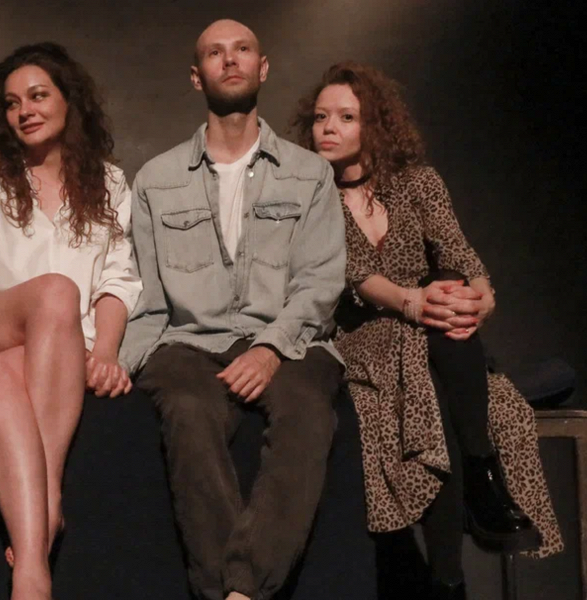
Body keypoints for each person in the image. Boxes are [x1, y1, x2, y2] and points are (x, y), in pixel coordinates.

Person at [292, 61, 562, 598]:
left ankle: (452, 559)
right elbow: (354, 275)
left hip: (436, 334)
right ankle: (465, 530)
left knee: (446, 297)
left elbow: (458, 252)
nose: (328, 128)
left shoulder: (418, 183)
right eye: (321, 117)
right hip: (363, 340)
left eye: (346, 117)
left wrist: (479, 295)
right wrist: (413, 302)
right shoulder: (309, 197)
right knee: (428, 372)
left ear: (375, 125)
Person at [119, 20, 346, 600]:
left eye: (242, 49)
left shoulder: (309, 173)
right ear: (197, 77)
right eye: (215, 53)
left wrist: (270, 349)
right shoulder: (157, 179)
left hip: (290, 339)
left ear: (262, 67)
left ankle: (240, 588)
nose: (230, 60)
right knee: (188, 408)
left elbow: (321, 281)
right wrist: (119, 361)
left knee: (308, 412)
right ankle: (234, 591)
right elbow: (149, 298)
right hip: (189, 342)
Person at [0, 42, 141, 599]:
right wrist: (40, 330)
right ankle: (50, 491)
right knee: (56, 293)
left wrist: (104, 352)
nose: (24, 111)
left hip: (57, 351)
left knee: (3, 376)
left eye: (37, 96)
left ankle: (31, 566)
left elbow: (118, 280)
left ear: (68, 100)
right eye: (11, 103)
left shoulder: (108, 182)